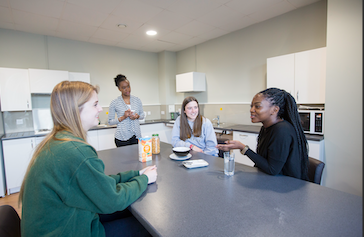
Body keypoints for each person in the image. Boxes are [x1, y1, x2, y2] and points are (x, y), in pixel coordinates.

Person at [19, 81, 157, 237]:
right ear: (75, 110)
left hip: (64, 224)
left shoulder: (57, 142)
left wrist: (136, 175)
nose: (100, 109)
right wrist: (144, 179)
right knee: (146, 229)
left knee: (129, 213)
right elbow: (113, 200)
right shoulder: (77, 152)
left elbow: (98, 183)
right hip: (70, 230)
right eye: (95, 104)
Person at [217, 88, 309, 180]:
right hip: (270, 180)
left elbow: (272, 169)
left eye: (257, 106)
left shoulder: (282, 130)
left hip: (286, 186)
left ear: (274, 110)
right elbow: (264, 163)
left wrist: (243, 148)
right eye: (251, 106)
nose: (251, 110)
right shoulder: (265, 128)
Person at [108, 74, 145, 147]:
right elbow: (110, 122)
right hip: (122, 138)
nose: (127, 89)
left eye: (128, 86)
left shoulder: (137, 100)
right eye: (124, 87)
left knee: (136, 157)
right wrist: (123, 117)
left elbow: (142, 116)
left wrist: (137, 116)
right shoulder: (115, 102)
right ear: (119, 89)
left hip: (136, 136)